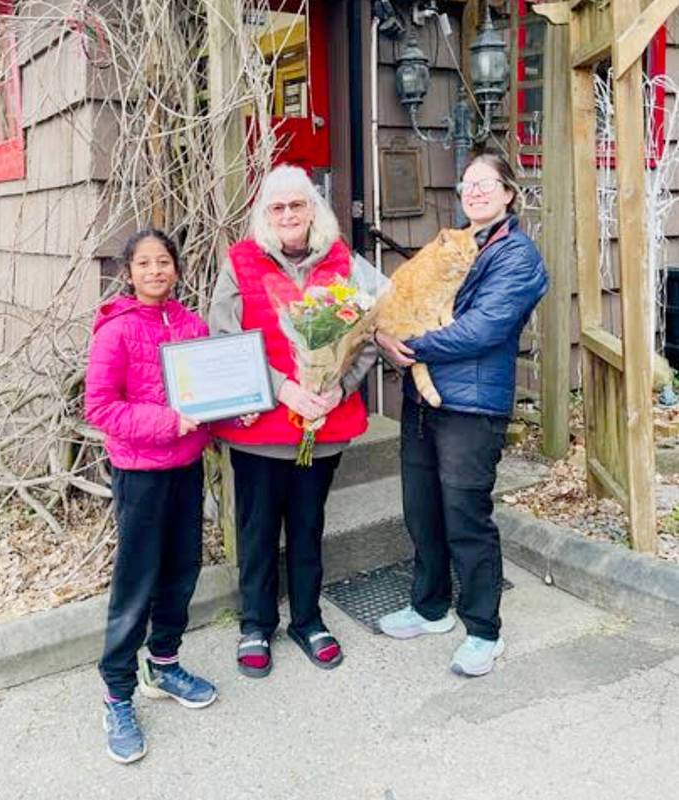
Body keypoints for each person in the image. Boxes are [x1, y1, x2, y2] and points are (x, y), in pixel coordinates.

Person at [375, 152, 548, 677]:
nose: (473, 192)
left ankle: (482, 630)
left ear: (508, 192)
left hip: (472, 406)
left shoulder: (516, 255)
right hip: (424, 399)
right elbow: (410, 300)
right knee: (421, 508)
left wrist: (409, 341)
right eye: (467, 184)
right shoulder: (457, 245)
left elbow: (484, 329)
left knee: (466, 518)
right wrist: (384, 332)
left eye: (485, 184)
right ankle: (430, 608)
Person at [210, 164, 376, 678]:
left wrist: (335, 389)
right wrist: (285, 388)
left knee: (308, 527)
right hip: (260, 431)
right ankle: (255, 623)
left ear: (313, 209)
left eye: (297, 205)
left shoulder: (346, 263)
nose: (287, 214)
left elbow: (367, 337)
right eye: (277, 207)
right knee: (258, 531)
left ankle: (308, 618)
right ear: (265, 213)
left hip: (322, 428)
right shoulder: (240, 262)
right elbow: (224, 338)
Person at [85, 228, 217, 765]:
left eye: (164, 262)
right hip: (139, 471)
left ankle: (163, 664)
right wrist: (169, 421)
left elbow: (209, 393)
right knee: (136, 580)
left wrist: (239, 409)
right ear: (129, 272)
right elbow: (100, 409)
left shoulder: (193, 325)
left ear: (177, 269)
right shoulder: (115, 332)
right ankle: (117, 692)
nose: (156, 271)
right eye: (145, 264)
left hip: (185, 468)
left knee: (182, 570)